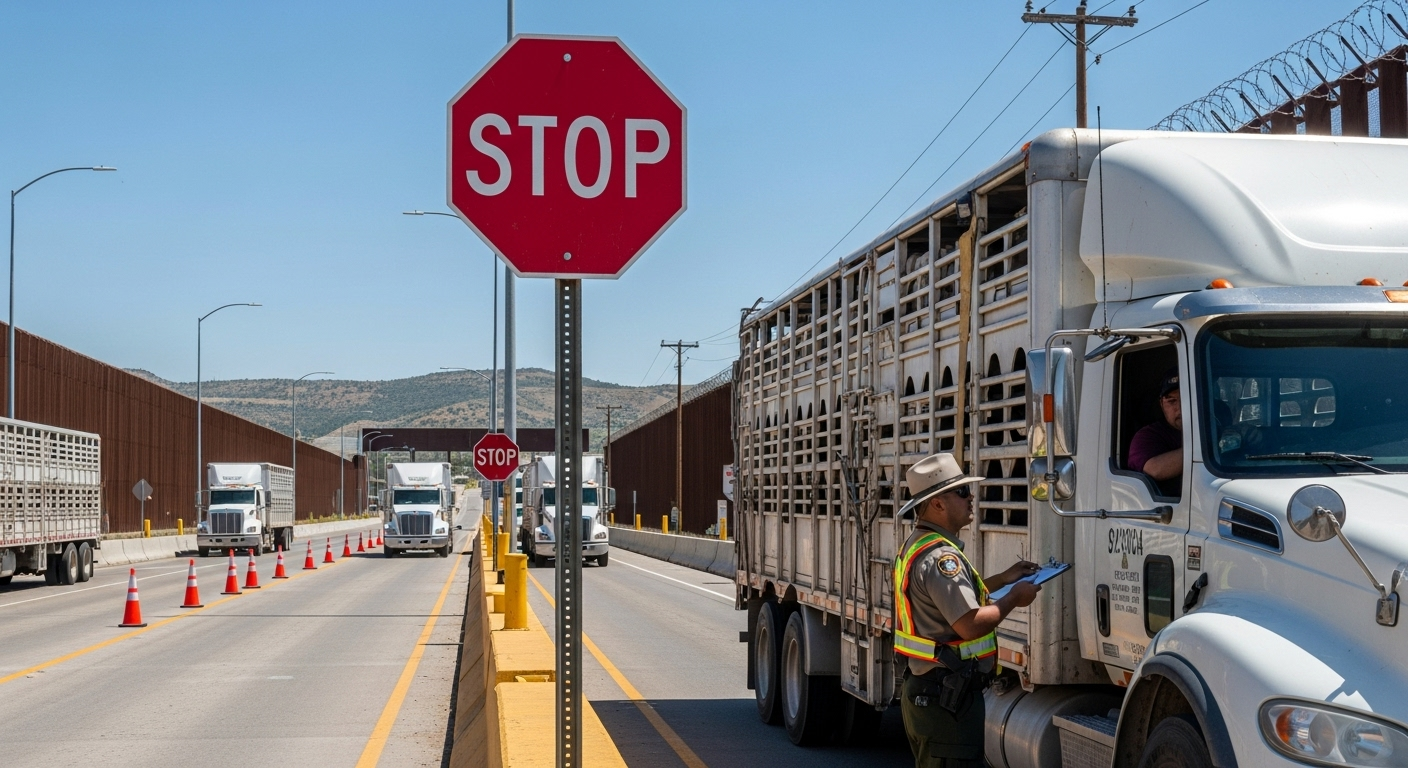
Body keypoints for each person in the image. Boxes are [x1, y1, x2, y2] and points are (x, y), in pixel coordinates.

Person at [893, 452, 1041, 767]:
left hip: (935, 693)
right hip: (946, 699)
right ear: (937, 503)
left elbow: (949, 602)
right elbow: (970, 624)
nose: (971, 497)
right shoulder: (941, 558)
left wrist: (1004, 578)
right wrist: (1015, 597)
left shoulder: (921, 546)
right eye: (961, 491)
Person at [1128, 370, 1183, 492]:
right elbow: (1154, 469)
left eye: (1187, 398)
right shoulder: (1147, 436)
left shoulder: (1215, 429)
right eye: (1172, 401)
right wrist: (1214, 448)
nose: (1180, 408)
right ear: (1162, 405)